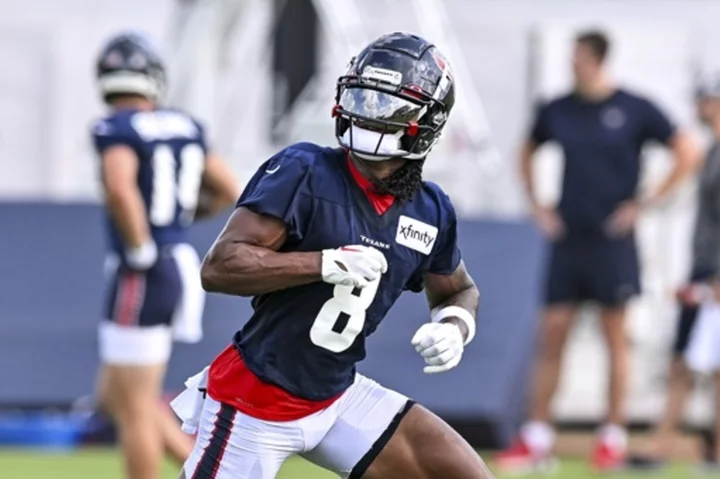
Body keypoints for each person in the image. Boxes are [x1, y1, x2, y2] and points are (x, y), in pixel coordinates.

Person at [170, 32, 495, 479]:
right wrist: (324, 263)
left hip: (335, 395)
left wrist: (456, 326)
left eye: (388, 107)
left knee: (460, 473)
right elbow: (221, 266)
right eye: (364, 99)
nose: (369, 115)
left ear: (427, 121)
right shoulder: (306, 171)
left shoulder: (430, 208)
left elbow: (458, 289)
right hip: (257, 397)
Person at [495, 29, 699, 473]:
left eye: (579, 58)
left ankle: (611, 437)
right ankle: (537, 437)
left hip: (613, 241)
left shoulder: (633, 108)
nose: (572, 64)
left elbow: (686, 150)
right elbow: (526, 149)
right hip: (569, 238)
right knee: (552, 332)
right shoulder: (558, 109)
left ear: (598, 60)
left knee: (615, 339)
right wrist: (537, 204)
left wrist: (645, 203)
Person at [91, 32, 239, 479]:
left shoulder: (116, 128)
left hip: (146, 268)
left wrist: (140, 247)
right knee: (114, 396)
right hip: (175, 260)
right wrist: (179, 215)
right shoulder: (183, 126)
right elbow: (228, 189)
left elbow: (120, 187)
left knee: (134, 405)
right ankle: (208, 471)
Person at [626, 72, 720, 472]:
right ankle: (664, 444)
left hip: (714, 272)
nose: (699, 107)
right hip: (704, 269)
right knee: (682, 360)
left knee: (715, 367)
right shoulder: (712, 150)